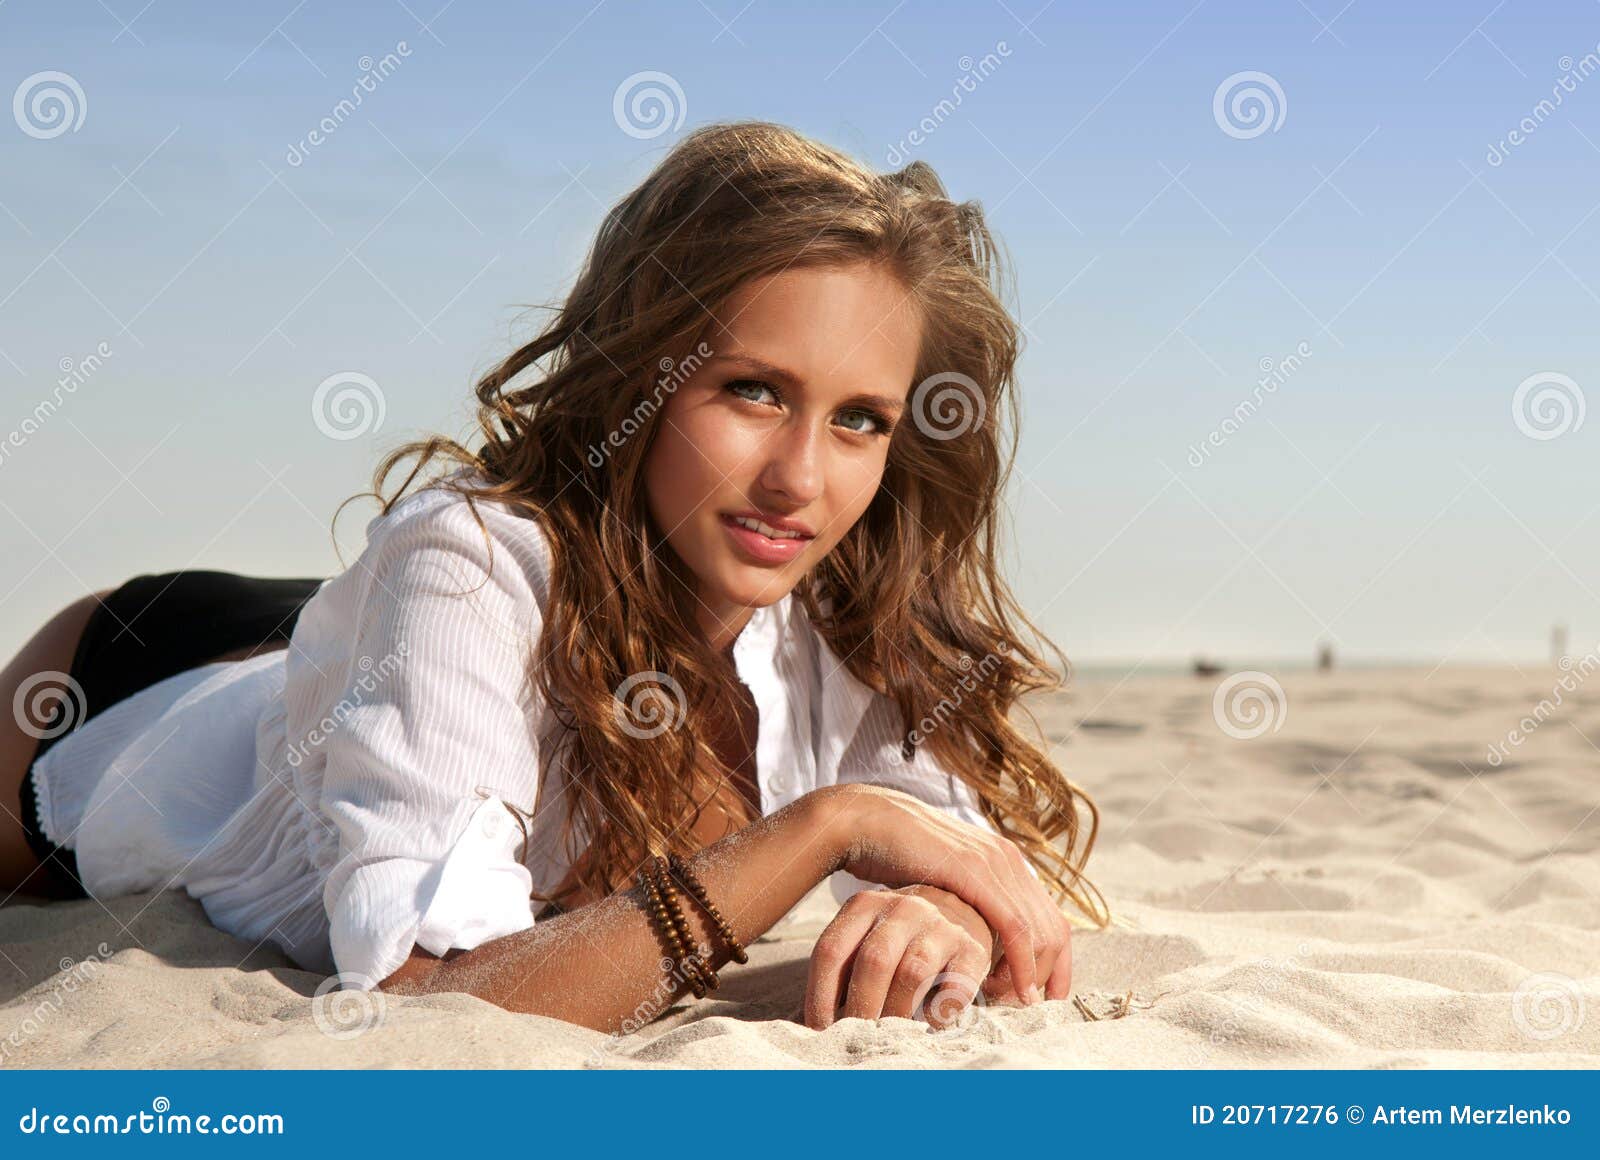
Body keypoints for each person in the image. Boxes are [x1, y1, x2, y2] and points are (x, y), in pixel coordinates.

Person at [0, 121, 1107, 1034]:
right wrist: (827, 823)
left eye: (859, 418)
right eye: (754, 392)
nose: (799, 482)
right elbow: (424, 1005)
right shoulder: (466, 561)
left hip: (362, 654)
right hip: (143, 674)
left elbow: (958, 874)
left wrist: (937, 915)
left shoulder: (845, 610)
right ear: (643, 371)